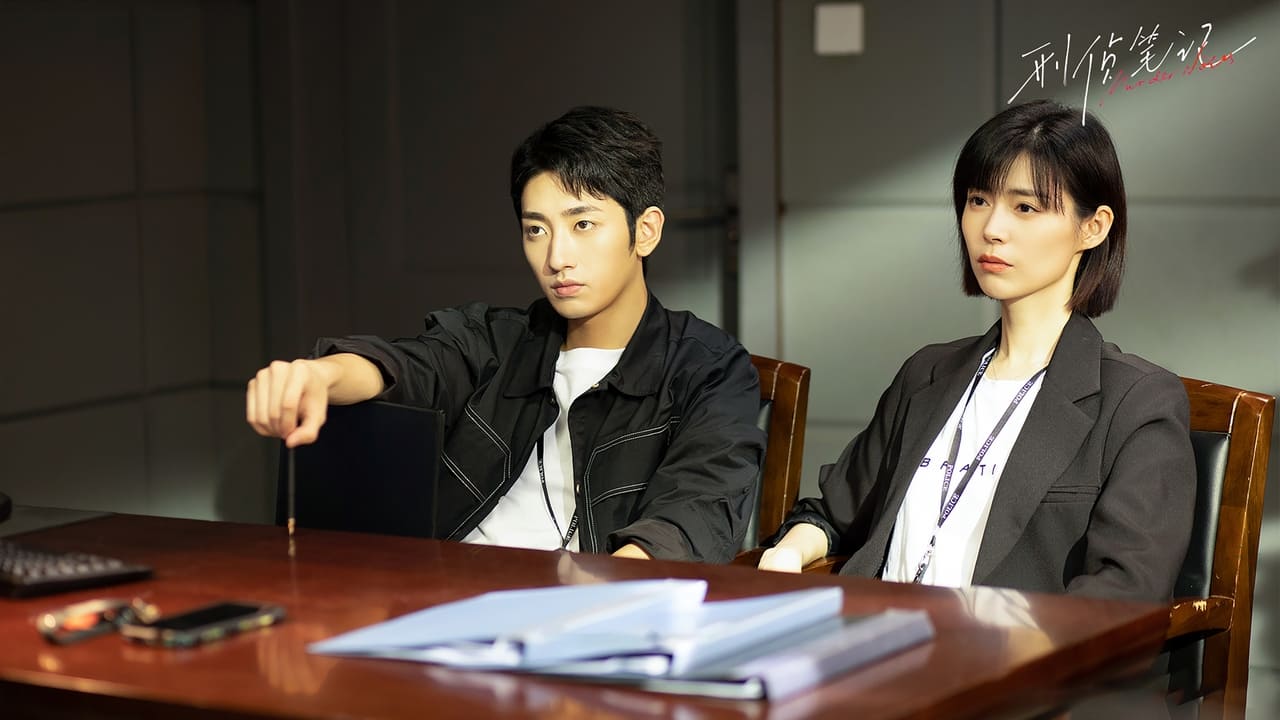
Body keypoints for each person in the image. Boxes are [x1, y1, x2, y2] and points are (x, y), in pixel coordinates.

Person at [247, 106, 765, 564]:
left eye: (582, 225)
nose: (556, 258)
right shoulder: (497, 340)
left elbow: (695, 515)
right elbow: (411, 367)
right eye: (536, 229)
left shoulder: (708, 368)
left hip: (590, 611)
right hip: (444, 594)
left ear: (645, 231)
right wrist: (318, 376)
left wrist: (601, 599)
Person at [758, 100, 1195, 602]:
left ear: (1092, 227)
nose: (991, 228)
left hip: (1010, 649)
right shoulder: (927, 373)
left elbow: (1126, 590)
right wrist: (788, 553)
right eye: (978, 200)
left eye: (1025, 207)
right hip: (874, 635)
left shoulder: (1136, 402)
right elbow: (833, 513)